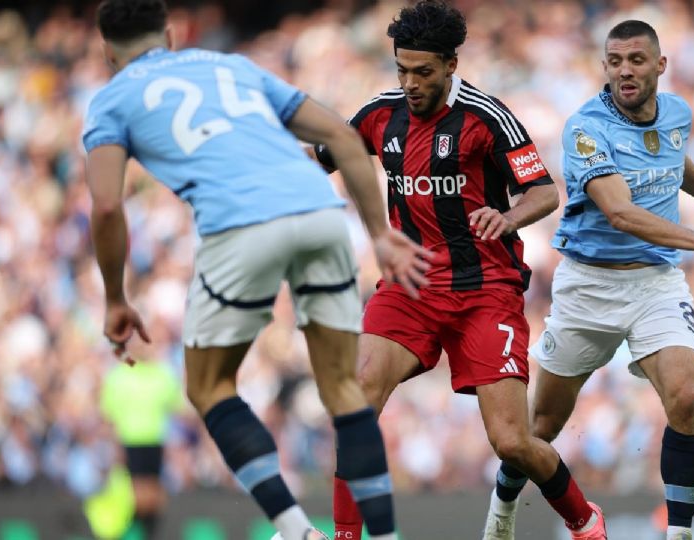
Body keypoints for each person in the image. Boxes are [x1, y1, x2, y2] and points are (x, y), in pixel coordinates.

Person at [82, 1, 433, 539]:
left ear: (108, 51)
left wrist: (114, 298)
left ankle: (296, 530)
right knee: (342, 388)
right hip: (320, 211)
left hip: (239, 226)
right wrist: (380, 234)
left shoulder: (110, 101)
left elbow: (106, 206)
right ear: (171, 37)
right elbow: (342, 136)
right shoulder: (231, 67)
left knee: (210, 386)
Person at [312, 2, 606, 539]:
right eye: (402, 69)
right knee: (352, 402)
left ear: (450, 65)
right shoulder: (380, 113)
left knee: (512, 442)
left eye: (422, 72)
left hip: (484, 292)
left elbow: (544, 191)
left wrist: (508, 214)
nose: (409, 83)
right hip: (410, 287)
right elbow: (325, 157)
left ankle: (584, 520)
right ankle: (346, 535)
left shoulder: (486, 117)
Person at [484, 20, 694, 540]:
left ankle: (678, 532)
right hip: (589, 285)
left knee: (684, 396)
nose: (624, 71)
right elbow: (619, 212)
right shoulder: (586, 127)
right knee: (540, 429)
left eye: (636, 60)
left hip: (656, 282)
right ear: (605, 67)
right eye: (614, 61)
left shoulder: (678, 112)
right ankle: (502, 508)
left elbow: (673, 156)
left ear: (660, 65)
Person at [100, 356, 184, 538]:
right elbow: (109, 416)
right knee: (135, 496)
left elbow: (177, 408)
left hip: (155, 441)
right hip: (129, 441)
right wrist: (116, 447)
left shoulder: (163, 373)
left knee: (154, 496)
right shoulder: (118, 375)